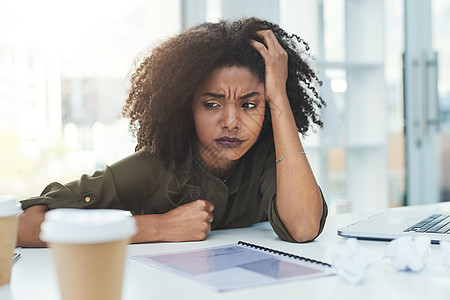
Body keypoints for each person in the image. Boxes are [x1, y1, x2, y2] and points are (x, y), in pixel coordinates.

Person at [17, 17, 328, 247]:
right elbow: (23, 226)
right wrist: (158, 227)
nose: (232, 122)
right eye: (211, 104)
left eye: (250, 105)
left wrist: (279, 98)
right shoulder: (154, 167)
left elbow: (303, 227)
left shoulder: (270, 159)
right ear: (185, 106)